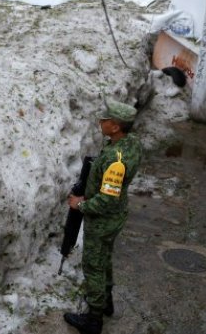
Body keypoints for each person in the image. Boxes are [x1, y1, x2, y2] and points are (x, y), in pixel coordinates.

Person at [64, 99, 143, 334]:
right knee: (104, 259)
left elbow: (107, 199)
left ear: (116, 127)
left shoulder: (115, 161)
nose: (101, 122)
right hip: (116, 216)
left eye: (105, 120)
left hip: (103, 220)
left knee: (93, 266)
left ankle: (93, 319)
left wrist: (82, 205)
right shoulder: (131, 143)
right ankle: (106, 301)